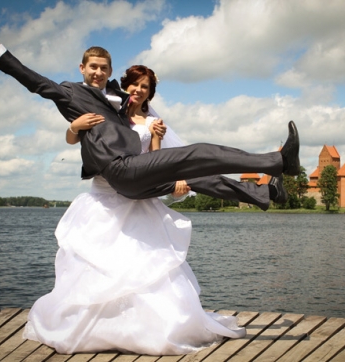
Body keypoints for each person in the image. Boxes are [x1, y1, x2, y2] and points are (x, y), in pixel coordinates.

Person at [22, 65, 247, 355]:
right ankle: (96, 328)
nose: (139, 91)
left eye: (146, 88)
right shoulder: (108, 108)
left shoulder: (152, 120)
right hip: (104, 200)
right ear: (123, 85)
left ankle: (154, 329)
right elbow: (75, 136)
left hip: (139, 200)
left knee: (149, 268)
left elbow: (157, 162)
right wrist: (72, 128)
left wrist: (158, 145)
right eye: (135, 85)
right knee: (101, 268)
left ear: (150, 94)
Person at [0, 27, 298, 209]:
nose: (97, 73)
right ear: (82, 69)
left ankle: (265, 194)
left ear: (110, 73)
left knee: (198, 175)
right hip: (120, 170)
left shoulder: (120, 104)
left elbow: (136, 108)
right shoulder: (71, 94)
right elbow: (32, 80)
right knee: (196, 153)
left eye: (103, 68)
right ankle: (278, 161)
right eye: (92, 67)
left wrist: (153, 128)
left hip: (133, 182)